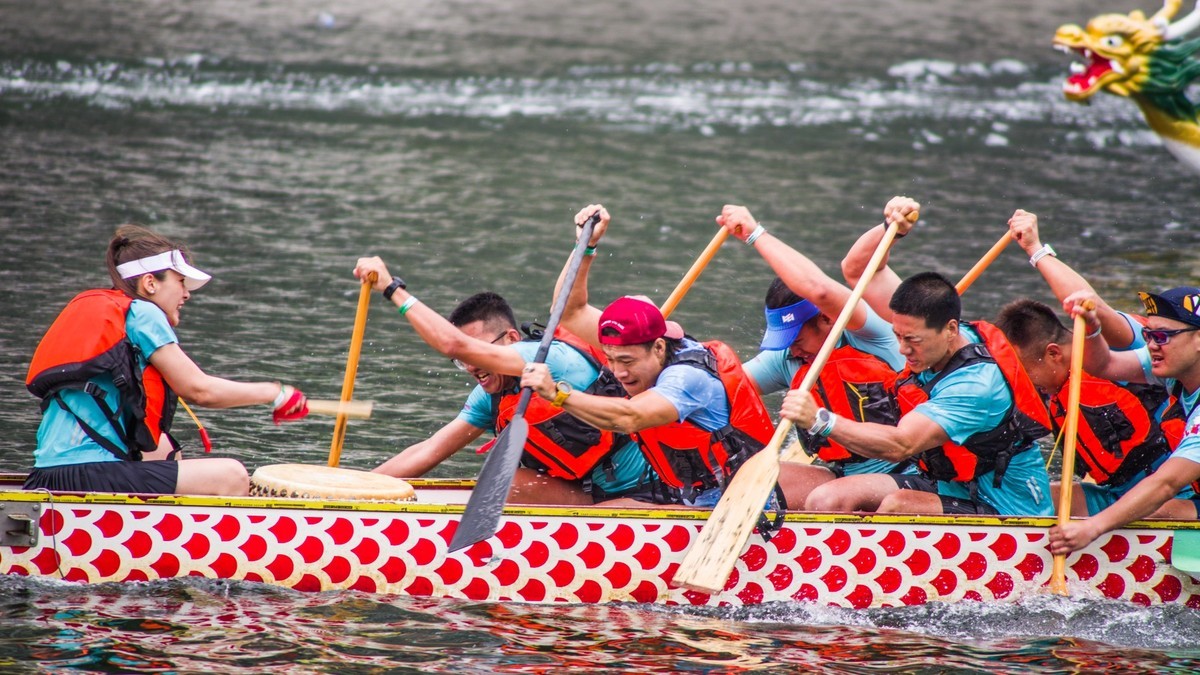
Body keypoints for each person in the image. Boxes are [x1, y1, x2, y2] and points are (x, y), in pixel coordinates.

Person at [520, 204, 795, 509]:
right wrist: (585, 245)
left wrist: (557, 394)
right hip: (687, 495)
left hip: (741, 504)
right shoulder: (633, 344)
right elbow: (568, 312)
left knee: (613, 513)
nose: (619, 372)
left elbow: (629, 417)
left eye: (627, 362)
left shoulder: (687, 378)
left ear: (660, 348)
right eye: (611, 360)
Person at [24, 224, 309, 496]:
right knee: (232, 475)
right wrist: (274, 393)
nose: (186, 294)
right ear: (150, 283)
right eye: (181, 282)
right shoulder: (143, 313)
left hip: (46, 475)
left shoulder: (109, 311)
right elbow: (200, 390)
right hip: (86, 474)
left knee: (163, 449)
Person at [353, 257, 652, 506]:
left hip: (649, 494)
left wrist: (392, 288)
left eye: (480, 351)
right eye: (463, 362)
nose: (472, 365)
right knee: (505, 482)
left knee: (509, 483)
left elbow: (453, 344)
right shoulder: (490, 396)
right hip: (592, 497)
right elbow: (427, 451)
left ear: (511, 338)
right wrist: (356, 491)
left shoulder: (544, 357)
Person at [780, 271, 1056, 516]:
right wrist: (895, 224)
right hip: (947, 485)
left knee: (898, 505)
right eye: (898, 336)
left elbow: (902, 445)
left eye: (912, 340)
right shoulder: (932, 332)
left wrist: (821, 420)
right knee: (827, 499)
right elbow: (860, 268)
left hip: (1004, 506)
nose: (902, 350)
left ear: (950, 329)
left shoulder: (975, 387)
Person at [715, 204, 909, 509]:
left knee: (827, 499)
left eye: (797, 339)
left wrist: (755, 235)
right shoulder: (789, 359)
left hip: (906, 473)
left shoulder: (872, 335)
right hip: (839, 473)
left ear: (828, 319)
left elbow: (821, 291)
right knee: (737, 481)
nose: (791, 349)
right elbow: (719, 386)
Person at [995, 299, 1188, 516]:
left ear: (1053, 354)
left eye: (1023, 372)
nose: (1021, 383)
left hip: (1178, 497)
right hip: (1116, 495)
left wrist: (1040, 262)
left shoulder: (1120, 357)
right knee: (1032, 498)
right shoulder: (1057, 395)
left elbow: (1091, 303)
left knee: (1162, 512)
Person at [1049, 287, 1200, 556]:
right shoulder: (1176, 367)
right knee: (1058, 496)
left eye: (1163, 336)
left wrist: (1092, 529)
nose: (1153, 345)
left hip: (1187, 499)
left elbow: (1167, 483)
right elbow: (1105, 365)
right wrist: (1094, 329)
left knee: (1165, 509)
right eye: (1149, 335)